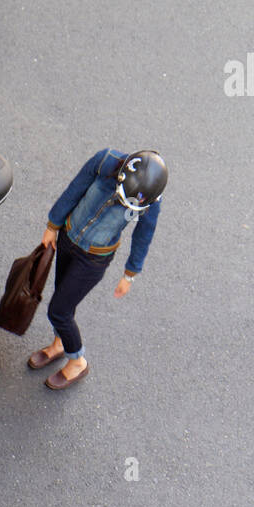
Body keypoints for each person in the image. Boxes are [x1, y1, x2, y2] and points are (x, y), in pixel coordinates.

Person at [28, 148, 168, 389]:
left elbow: (144, 235)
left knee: (59, 311)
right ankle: (59, 344)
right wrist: (53, 224)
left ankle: (77, 361)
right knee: (63, 297)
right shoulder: (106, 161)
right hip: (68, 238)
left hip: (94, 259)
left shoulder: (150, 200)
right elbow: (75, 190)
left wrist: (130, 274)